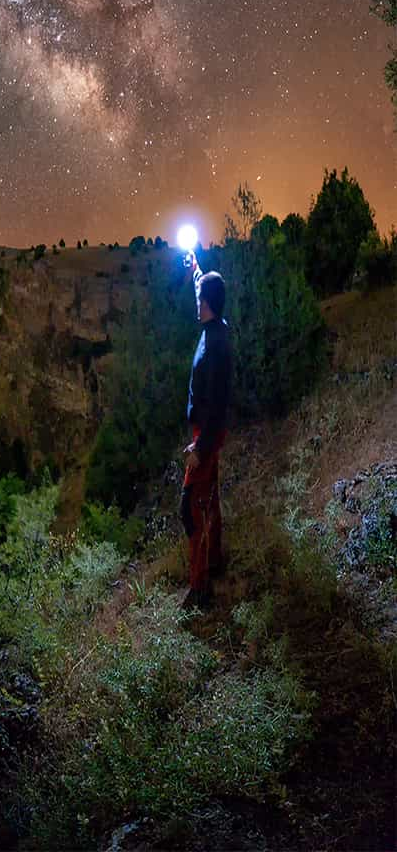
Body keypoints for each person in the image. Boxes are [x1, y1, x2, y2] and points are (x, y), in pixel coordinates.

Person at [179, 252, 231, 609]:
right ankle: (214, 562)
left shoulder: (215, 347)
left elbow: (216, 407)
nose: (196, 305)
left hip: (207, 435)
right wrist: (196, 267)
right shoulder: (216, 327)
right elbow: (204, 286)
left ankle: (200, 588)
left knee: (189, 508)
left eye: (200, 301)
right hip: (207, 432)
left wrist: (200, 447)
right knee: (209, 499)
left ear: (209, 305)